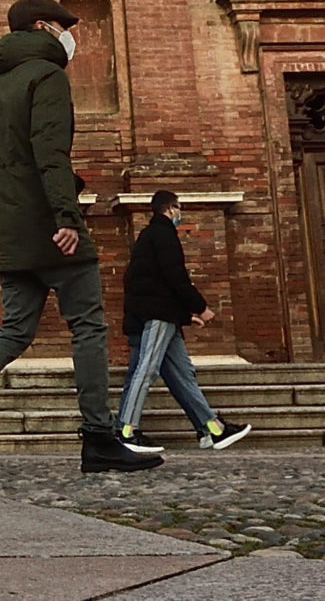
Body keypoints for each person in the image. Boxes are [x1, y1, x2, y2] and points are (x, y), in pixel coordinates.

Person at [0, 0, 160, 477]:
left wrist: (11, 192)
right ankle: (98, 437)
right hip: (51, 227)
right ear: (40, 27)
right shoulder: (47, 76)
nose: (69, 33)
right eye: (62, 25)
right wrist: (66, 216)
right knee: (89, 326)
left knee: (14, 330)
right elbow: (50, 152)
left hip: (9, 226)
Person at [117, 191, 250, 453]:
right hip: (158, 315)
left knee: (182, 374)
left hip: (161, 313)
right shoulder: (164, 235)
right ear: (170, 209)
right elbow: (174, 277)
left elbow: (150, 281)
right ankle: (126, 431)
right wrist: (200, 308)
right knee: (146, 370)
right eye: (179, 208)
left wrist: (183, 315)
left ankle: (212, 429)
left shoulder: (147, 237)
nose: (181, 213)